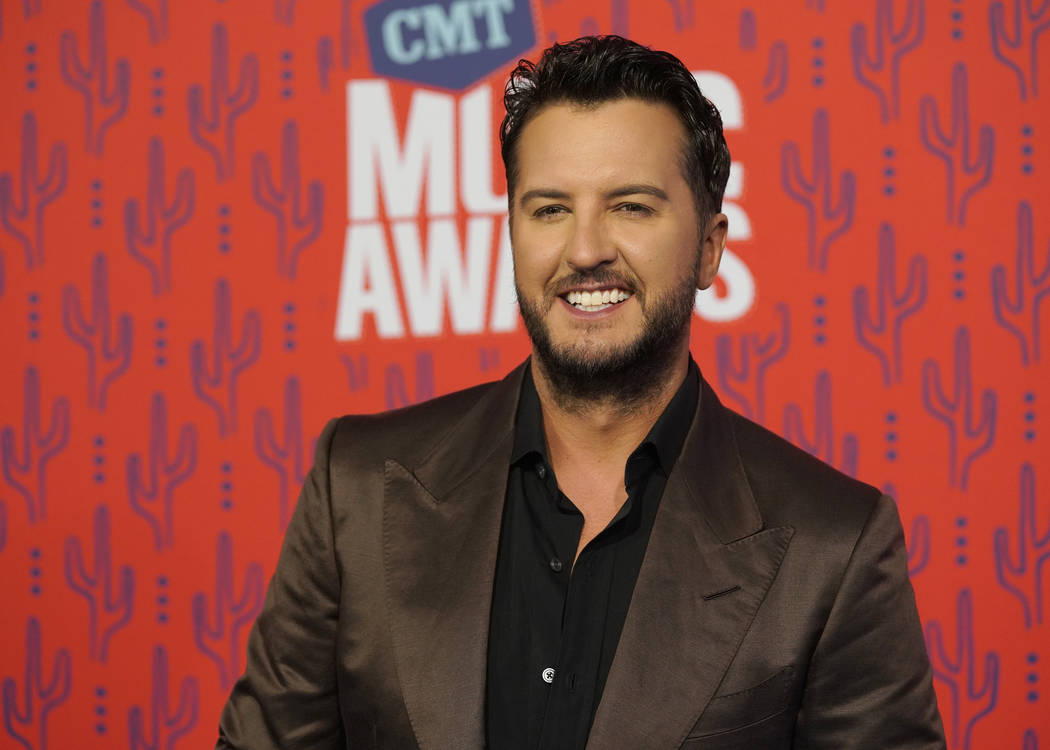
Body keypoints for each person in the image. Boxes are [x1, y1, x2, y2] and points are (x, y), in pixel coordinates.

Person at [217, 35, 945, 749]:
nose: (586, 248)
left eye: (631, 206)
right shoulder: (357, 489)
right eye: (549, 209)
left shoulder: (834, 546)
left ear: (710, 247)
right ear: (511, 234)